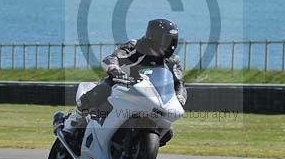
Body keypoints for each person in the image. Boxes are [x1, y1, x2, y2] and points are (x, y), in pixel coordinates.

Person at [55, 19, 187, 136]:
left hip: (149, 98)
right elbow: (112, 58)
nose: (171, 44)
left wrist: (180, 98)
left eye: (173, 40)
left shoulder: (173, 61)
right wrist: (114, 69)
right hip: (122, 86)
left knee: (167, 132)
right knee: (105, 87)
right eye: (168, 40)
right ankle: (71, 123)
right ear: (154, 37)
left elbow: (179, 83)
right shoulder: (136, 46)